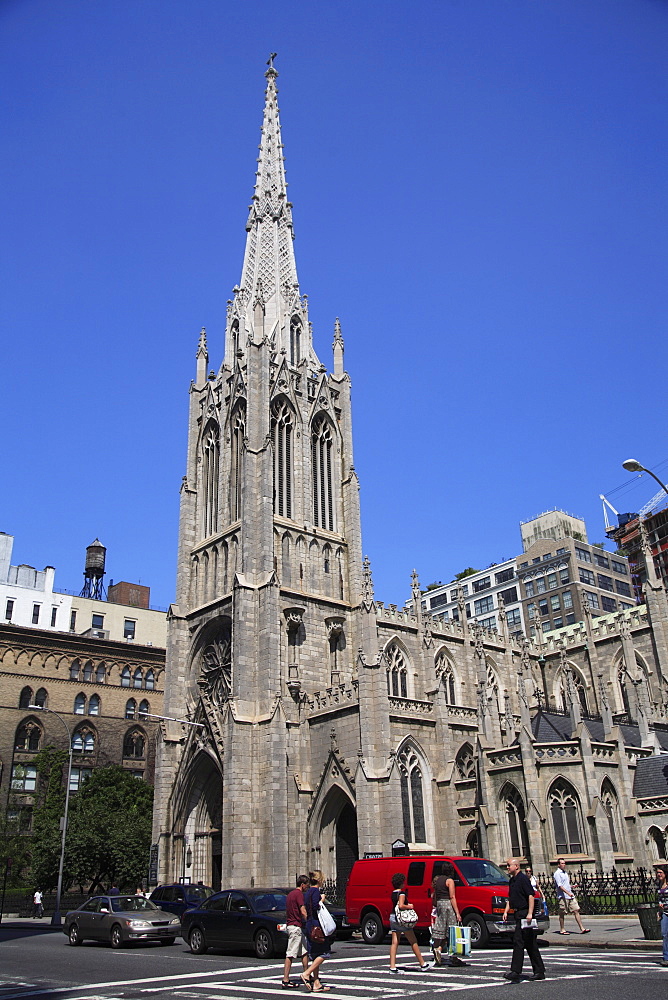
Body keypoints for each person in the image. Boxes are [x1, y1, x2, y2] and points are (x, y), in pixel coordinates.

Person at [502, 858, 546, 982]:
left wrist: (530, 913)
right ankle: (539, 971)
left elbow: (530, 896)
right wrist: (506, 911)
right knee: (530, 943)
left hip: (524, 913)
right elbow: (510, 898)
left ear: (516, 866)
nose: (507, 867)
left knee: (518, 941)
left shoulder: (523, 879)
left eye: (509, 865)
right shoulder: (512, 881)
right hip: (517, 913)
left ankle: (515, 971)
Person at [388, 872, 431, 974]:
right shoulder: (401, 893)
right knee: (413, 941)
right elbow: (401, 906)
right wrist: (410, 906)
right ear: (401, 883)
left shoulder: (393, 893)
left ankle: (392, 966)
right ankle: (422, 964)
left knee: (394, 942)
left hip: (393, 917)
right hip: (402, 919)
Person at [301, 871, 333, 992]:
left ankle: (317, 983)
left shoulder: (307, 892)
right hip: (316, 925)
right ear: (319, 880)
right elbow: (315, 906)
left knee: (315, 954)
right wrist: (321, 900)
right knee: (325, 952)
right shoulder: (315, 891)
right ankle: (307, 973)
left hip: (309, 924)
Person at [431, 863, 466, 967]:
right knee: (452, 930)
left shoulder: (437, 880)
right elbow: (452, 896)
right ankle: (454, 957)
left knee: (441, 928)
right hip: (448, 905)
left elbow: (435, 895)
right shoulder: (449, 881)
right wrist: (457, 913)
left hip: (440, 904)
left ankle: (438, 948)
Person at [281, 874, 309, 989]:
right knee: (290, 954)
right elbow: (302, 910)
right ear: (302, 885)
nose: (307, 888)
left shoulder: (290, 894)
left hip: (294, 925)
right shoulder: (298, 894)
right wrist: (308, 920)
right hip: (295, 927)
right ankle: (285, 979)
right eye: (307, 886)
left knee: (304, 951)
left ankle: (307, 974)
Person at [553, 859, 589, 934]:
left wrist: (571, 887)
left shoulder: (565, 873)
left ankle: (582, 928)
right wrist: (568, 893)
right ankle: (562, 929)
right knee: (562, 913)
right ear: (558, 865)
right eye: (562, 863)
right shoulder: (557, 873)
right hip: (563, 896)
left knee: (576, 910)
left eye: (564, 863)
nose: (564, 865)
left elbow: (565, 885)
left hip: (570, 895)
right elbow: (560, 886)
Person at [656, 865, 668, 968]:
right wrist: (660, 906)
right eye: (657, 873)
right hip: (664, 913)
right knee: (664, 935)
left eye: (660, 872)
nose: (658, 874)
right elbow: (660, 898)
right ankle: (666, 958)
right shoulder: (659, 885)